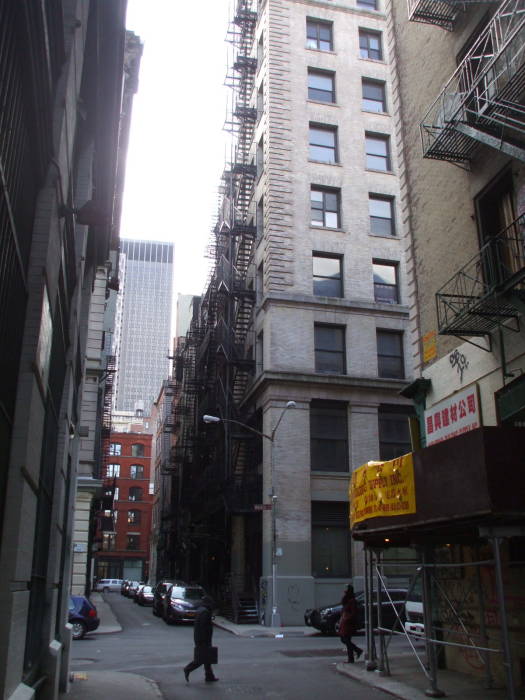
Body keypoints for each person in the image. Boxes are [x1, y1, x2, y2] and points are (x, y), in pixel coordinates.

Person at [184, 596, 219, 683]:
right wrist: (204, 640)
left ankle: (209, 676)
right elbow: (203, 627)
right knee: (202, 658)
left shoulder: (201, 610)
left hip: (200, 638)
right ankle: (188, 669)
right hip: (203, 639)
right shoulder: (205, 612)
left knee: (207, 657)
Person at [339, 584, 363, 663]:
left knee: (346, 639)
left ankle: (353, 656)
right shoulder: (347, 599)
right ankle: (355, 653)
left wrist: (346, 618)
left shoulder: (352, 601)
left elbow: (353, 613)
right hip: (345, 622)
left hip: (348, 623)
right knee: (344, 639)